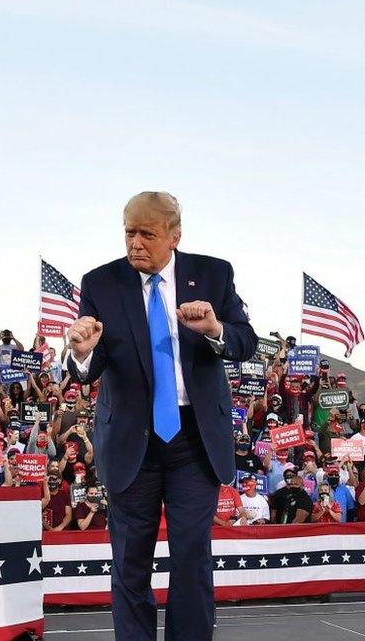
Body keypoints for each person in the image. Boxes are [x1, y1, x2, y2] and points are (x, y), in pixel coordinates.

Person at [66, 191, 257, 641]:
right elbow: (88, 364)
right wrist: (80, 352)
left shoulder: (214, 274)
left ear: (175, 236)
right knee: (130, 561)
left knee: (191, 557)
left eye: (147, 234)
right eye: (128, 232)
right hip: (133, 442)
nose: (135, 243)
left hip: (194, 441)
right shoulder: (100, 283)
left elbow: (245, 341)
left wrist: (215, 330)